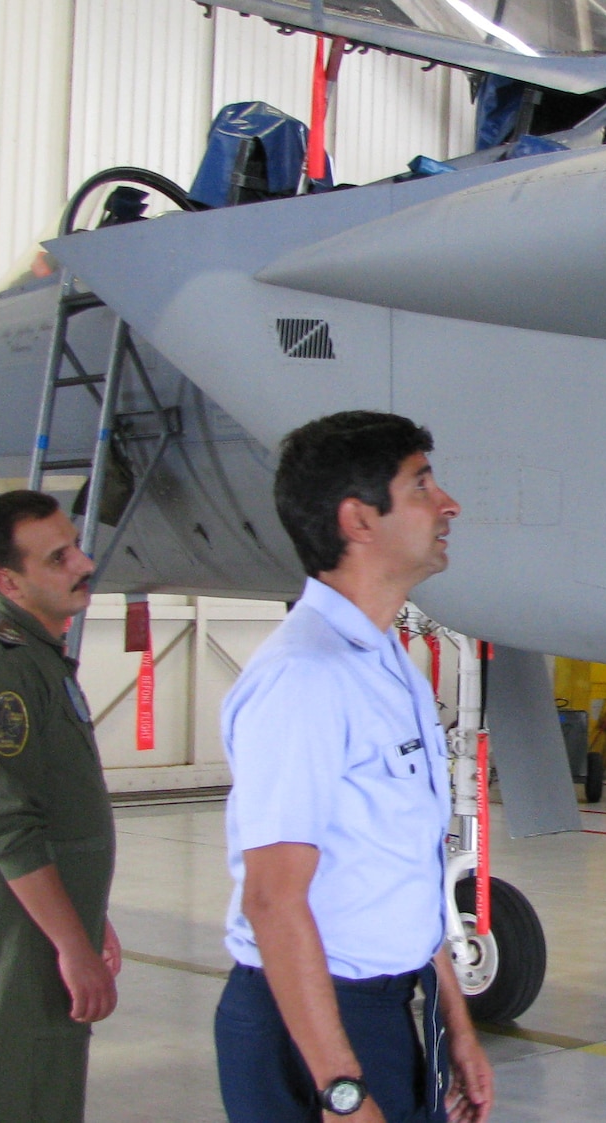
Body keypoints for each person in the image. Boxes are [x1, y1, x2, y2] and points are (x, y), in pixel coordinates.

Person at [215, 411, 494, 1123]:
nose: (448, 504)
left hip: (383, 1009)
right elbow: (274, 900)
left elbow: (401, 871)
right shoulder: (305, 677)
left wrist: (456, 1024)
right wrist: (342, 1091)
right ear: (358, 519)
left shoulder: (383, 662)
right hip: (307, 1029)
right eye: (421, 485)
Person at [0, 489, 120, 1123]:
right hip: (21, 930)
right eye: (58, 558)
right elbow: (4, 819)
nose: (83, 564)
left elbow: (61, 808)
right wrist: (71, 944)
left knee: (39, 1092)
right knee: (20, 1101)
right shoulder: (3, 666)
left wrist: (89, 916)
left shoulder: (38, 656)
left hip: (45, 917)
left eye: (76, 548)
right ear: (9, 583)